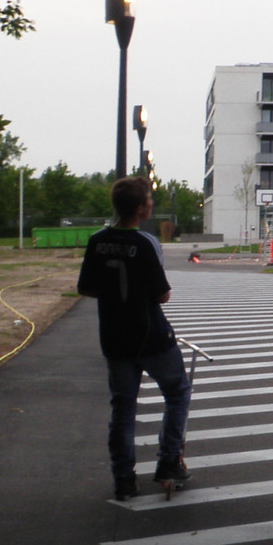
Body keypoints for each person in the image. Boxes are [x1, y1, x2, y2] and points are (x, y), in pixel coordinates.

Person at [77, 177, 191, 501]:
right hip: (151, 337)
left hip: (114, 338)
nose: (151, 206)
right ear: (141, 209)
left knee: (123, 408)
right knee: (178, 392)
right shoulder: (144, 244)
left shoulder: (97, 241)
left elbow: (85, 287)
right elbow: (163, 295)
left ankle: (124, 478)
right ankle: (169, 461)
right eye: (150, 202)